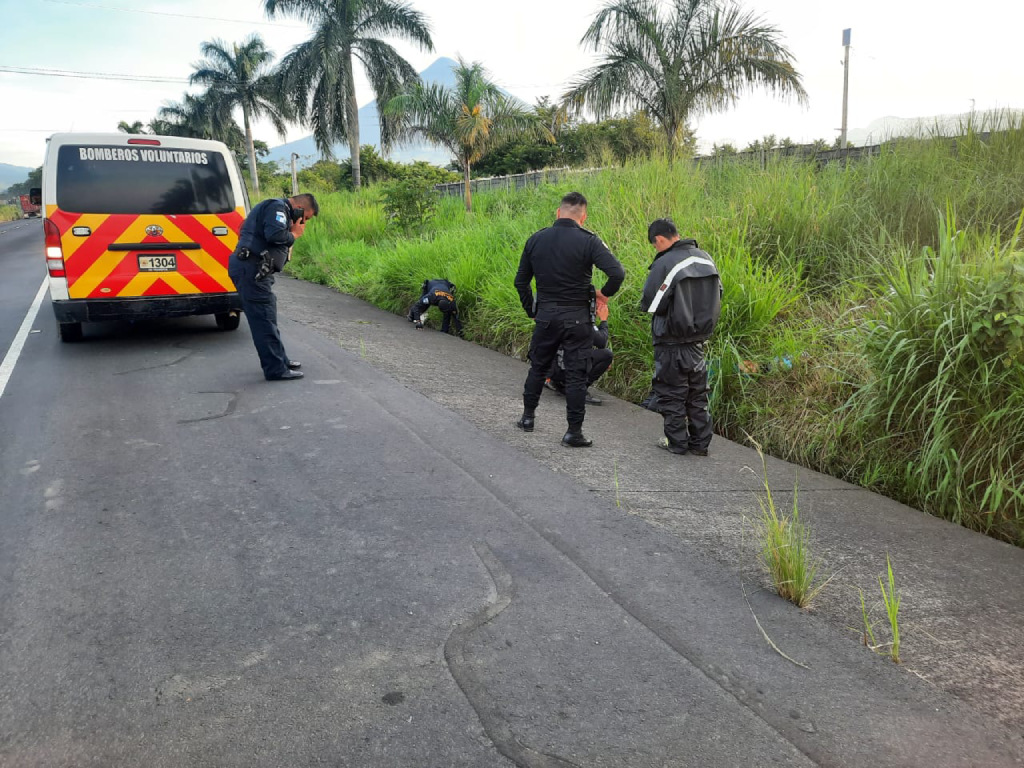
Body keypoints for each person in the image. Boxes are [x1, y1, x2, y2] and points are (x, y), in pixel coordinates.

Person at [514, 191, 625, 447]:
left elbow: (520, 281)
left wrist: (532, 310)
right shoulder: (589, 241)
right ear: (583, 218)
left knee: (538, 368)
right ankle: (573, 432)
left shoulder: (536, 239)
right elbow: (617, 273)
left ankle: (528, 418)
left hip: (546, 316)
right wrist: (603, 295)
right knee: (576, 376)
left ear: (558, 212)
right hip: (578, 319)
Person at [640, 218, 722, 456]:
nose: (656, 249)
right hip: (698, 342)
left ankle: (676, 443)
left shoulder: (665, 263)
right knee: (698, 394)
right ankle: (700, 444)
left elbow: (652, 303)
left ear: (660, 239)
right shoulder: (706, 258)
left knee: (671, 393)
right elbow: (719, 293)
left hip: (671, 341)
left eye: (655, 245)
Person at [228, 193, 319, 381]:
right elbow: (275, 235)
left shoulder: (278, 209)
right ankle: (275, 369)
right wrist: (294, 234)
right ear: (300, 208)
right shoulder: (276, 208)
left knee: (267, 316)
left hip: (255, 270)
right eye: (305, 217)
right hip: (251, 270)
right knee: (263, 319)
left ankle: (280, 360)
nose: (303, 222)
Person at [544, 290, 613, 405]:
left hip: (554, 368)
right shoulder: (584, 318)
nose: (604, 308)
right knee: (606, 355)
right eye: (602, 305)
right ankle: (577, 389)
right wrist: (604, 320)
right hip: (563, 366)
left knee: (589, 353)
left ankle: (555, 382)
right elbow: (601, 341)